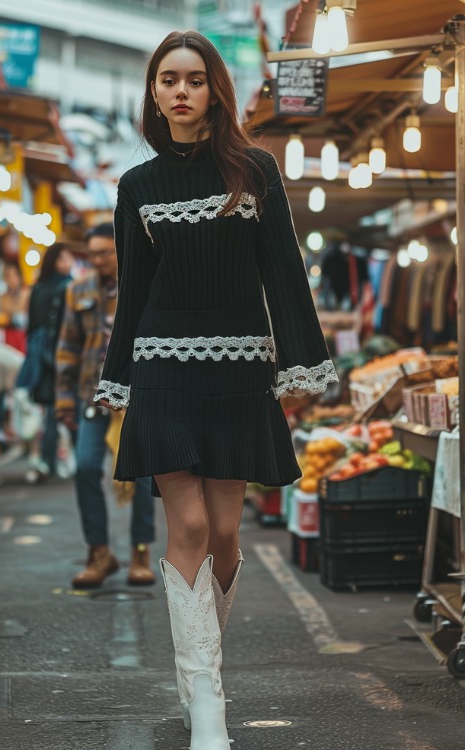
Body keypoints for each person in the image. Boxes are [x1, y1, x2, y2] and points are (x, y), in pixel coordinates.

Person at [94, 31, 338, 750]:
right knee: (190, 528)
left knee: (227, 536)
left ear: (214, 91)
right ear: (153, 93)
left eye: (193, 79)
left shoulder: (256, 170)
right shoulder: (136, 187)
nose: (179, 91)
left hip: (238, 370)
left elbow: (284, 275)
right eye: (167, 79)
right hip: (163, 364)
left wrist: (304, 365)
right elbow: (133, 292)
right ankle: (208, 701)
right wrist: (117, 377)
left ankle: (200, 664)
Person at [55, 223, 156, 588]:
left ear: (119, 249)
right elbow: (67, 349)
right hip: (92, 398)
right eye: (92, 253)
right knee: (83, 467)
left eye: (104, 252)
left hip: (137, 397)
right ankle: (99, 553)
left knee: (143, 476)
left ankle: (140, 552)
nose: (97, 259)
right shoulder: (77, 291)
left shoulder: (142, 283)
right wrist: (63, 402)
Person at [17, 243, 74, 481]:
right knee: (66, 408)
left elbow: (30, 327)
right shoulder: (68, 285)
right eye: (66, 257)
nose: (70, 261)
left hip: (40, 355)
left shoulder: (38, 288)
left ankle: (46, 460)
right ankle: (64, 459)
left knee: (49, 408)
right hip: (62, 354)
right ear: (57, 260)